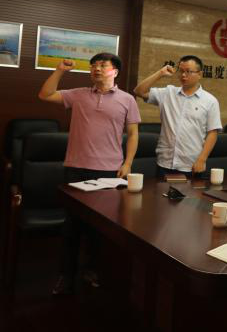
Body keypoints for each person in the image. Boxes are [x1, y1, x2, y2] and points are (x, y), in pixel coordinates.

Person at [39, 53, 140, 295]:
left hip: (109, 170)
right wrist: (60, 70)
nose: (96, 69)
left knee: (100, 227)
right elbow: (45, 95)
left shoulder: (127, 100)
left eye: (103, 65)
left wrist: (128, 163)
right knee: (72, 224)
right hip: (76, 166)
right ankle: (66, 275)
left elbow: (133, 134)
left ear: (115, 71)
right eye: (93, 65)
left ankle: (92, 269)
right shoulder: (78, 94)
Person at [134, 55, 222, 178]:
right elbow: (139, 91)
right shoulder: (168, 93)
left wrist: (202, 159)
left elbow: (213, 132)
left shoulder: (210, 101)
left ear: (200, 74)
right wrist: (160, 73)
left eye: (188, 71)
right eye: (181, 71)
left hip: (191, 164)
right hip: (165, 162)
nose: (183, 75)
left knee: (191, 192)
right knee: (160, 191)